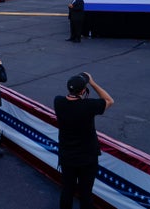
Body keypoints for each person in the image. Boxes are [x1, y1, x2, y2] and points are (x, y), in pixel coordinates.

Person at [54, 72, 114, 209]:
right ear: (83, 90)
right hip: (87, 158)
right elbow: (109, 100)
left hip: (67, 156)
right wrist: (92, 83)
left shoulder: (58, 102)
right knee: (85, 193)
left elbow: (70, 100)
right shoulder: (89, 106)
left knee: (67, 190)